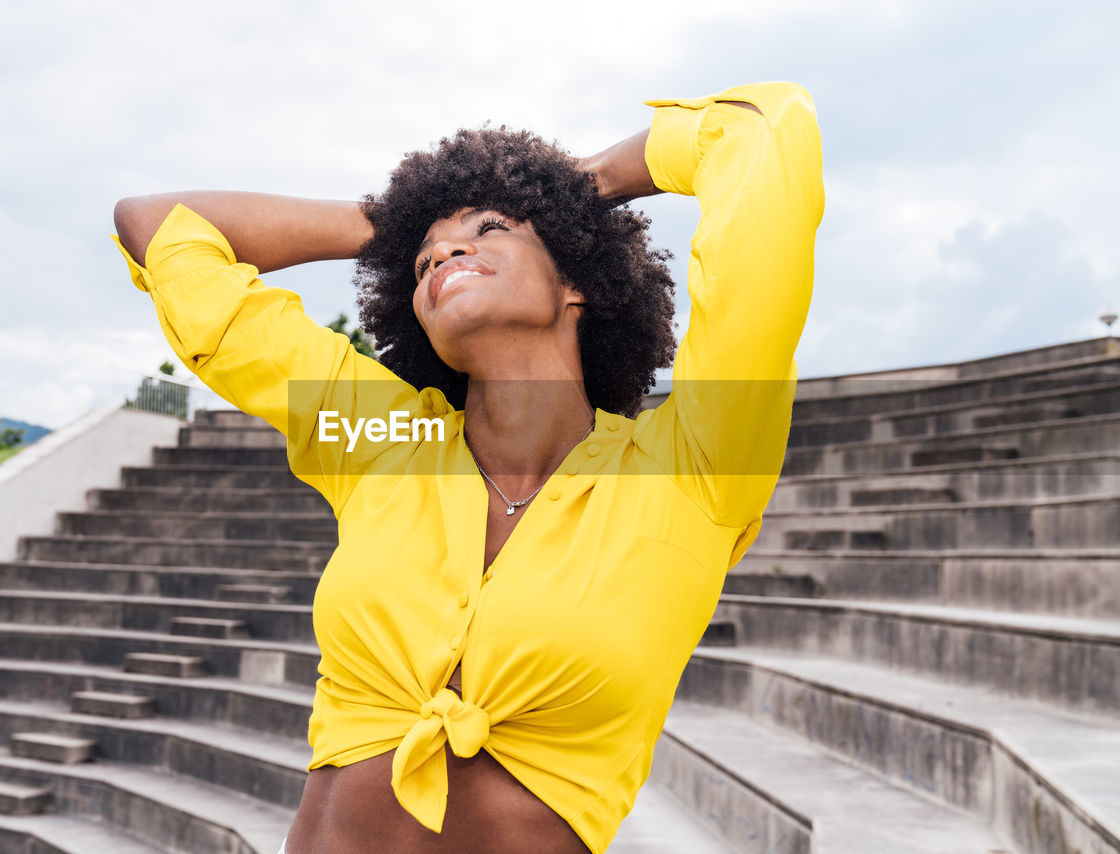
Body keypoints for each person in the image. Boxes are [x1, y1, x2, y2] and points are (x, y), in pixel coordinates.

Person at [112, 80, 823, 854]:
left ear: (575, 279)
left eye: (492, 231)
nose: (445, 252)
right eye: (422, 262)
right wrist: (393, 227)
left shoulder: (699, 462)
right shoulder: (379, 440)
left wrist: (573, 190)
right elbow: (159, 227)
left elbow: (761, 135)